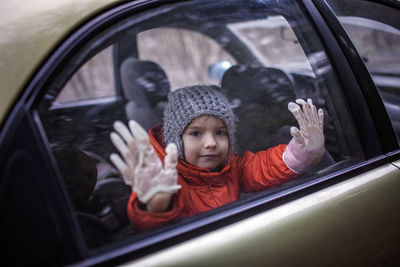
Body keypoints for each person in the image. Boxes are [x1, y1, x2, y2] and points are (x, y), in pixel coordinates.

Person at [109, 85, 325, 232]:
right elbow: (149, 234)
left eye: (220, 132)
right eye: (196, 133)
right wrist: (156, 206)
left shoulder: (230, 166)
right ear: (176, 139)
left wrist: (304, 152)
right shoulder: (165, 179)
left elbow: (264, 166)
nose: (211, 143)